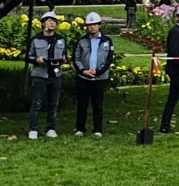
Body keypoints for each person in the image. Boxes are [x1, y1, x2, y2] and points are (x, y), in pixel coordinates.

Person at [73, 12, 114, 137]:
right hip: (83, 77)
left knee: (98, 105)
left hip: (100, 77)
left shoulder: (107, 41)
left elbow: (109, 59)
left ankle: (97, 129)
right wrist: (83, 71)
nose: (92, 27)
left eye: (95, 24)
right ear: (86, 26)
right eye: (90, 25)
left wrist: (98, 71)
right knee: (82, 104)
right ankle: (80, 128)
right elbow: (76, 58)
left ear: (99, 25)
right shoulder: (81, 41)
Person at [27, 11, 67, 139]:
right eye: (49, 21)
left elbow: (64, 54)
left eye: (54, 21)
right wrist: (36, 60)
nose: (52, 23)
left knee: (54, 103)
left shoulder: (60, 39)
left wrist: (64, 59)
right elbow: (28, 56)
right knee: (36, 103)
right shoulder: (35, 39)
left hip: (56, 75)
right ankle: (33, 128)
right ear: (43, 23)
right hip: (40, 74)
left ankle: (51, 128)